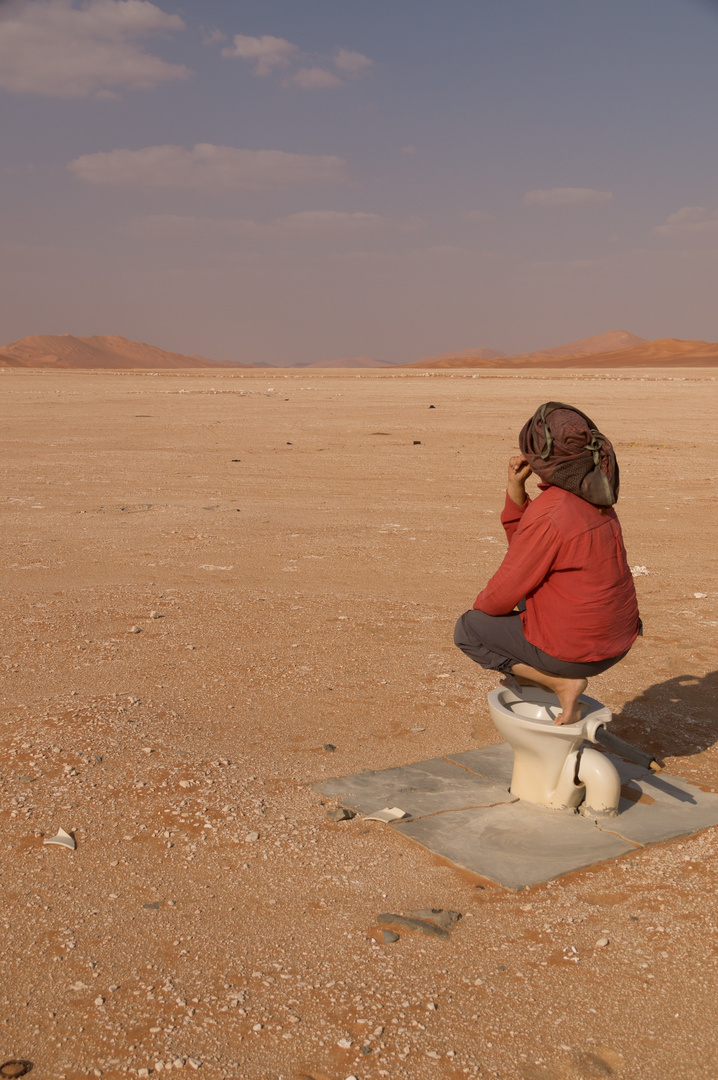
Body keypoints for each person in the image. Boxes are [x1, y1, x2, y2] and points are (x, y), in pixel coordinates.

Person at [454, 403, 641, 725]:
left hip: (579, 653)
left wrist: (489, 615)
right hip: (618, 640)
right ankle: (542, 673)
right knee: (530, 597)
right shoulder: (596, 497)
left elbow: (500, 597)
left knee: (471, 628)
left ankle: (560, 682)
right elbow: (533, 547)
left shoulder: (552, 512)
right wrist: (516, 490)